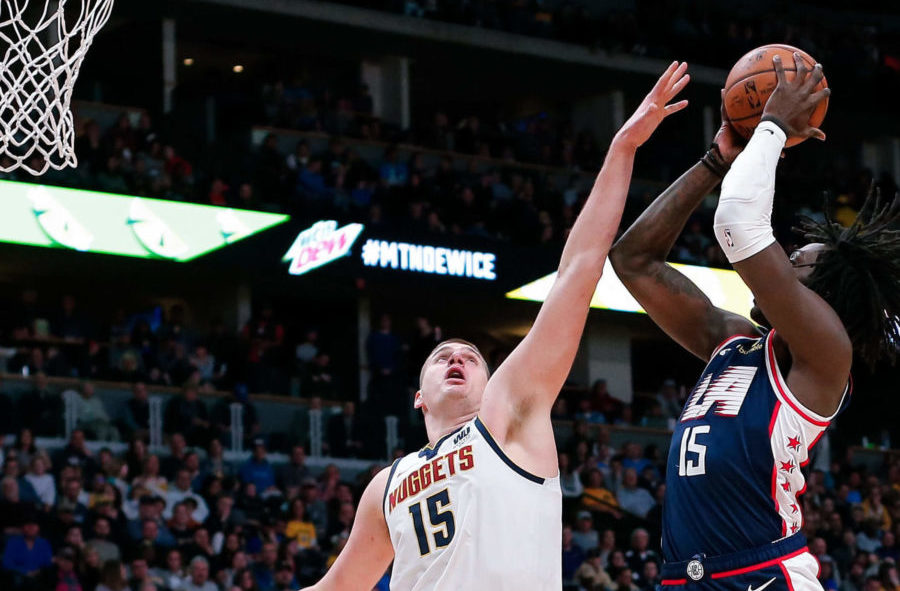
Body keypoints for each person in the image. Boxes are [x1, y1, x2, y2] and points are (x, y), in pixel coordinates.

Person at [300, 62, 691, 590]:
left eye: (471, 358)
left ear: (490, 382)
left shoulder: (509, 413)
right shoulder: (385, 487)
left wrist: (622, 149)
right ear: (419, 396)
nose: (457, 359)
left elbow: (576, 269)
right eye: (442, 357)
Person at [610, 53, 900, 590]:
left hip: (761, 576)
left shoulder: (825, 352)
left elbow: (739, 224)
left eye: (799, 265)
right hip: (683, 579)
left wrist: (772, 127)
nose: (784, 265)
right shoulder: (733, 342)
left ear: (825, 299)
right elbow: (634, 261)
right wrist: (714, 163)